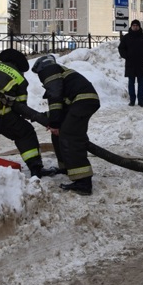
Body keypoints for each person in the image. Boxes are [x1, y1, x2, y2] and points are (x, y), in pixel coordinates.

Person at [0, 48, 59, 179]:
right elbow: (20, 107)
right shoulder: (19, 78)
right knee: (25, 133)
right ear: (19, 65)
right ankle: (36, 169)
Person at [30, 54, 100, 196]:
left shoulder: (50, 71)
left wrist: (55, 123)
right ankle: (67, 167)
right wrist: (53, 121)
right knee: (60, 134)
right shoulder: (60, 73)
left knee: (70, 136)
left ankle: (83, 182)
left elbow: (55, 99)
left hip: (82, 101)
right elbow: (60, 104)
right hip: (80, 101)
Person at [118, 19, 143, 107]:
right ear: (131, 26)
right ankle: (132, 100)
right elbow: (121, 48)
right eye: (133, 25)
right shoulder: (126, 37)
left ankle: (141, 101)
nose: (135, 27)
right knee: (131, 83)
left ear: (139, 27)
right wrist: (126, 56)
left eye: (136, 25)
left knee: (141, 83)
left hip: (141, 64)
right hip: (130, 64)